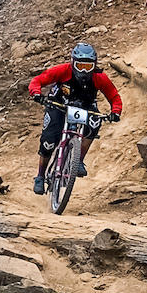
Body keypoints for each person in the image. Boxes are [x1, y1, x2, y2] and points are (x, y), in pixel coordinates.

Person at [27, 42, 122, 194]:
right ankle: (40, 176)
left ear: (95, 65)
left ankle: (78, 160)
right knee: (49, 142)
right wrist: (36, 93)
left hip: (85, 106)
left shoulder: (99, 78)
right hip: (58, 104)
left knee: (95, 122)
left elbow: (114, 96)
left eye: (88, 67)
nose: (84, 71)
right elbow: (38, 80)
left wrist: (116, 111)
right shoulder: (62, 70)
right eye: (80, 66)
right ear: (72, 63)